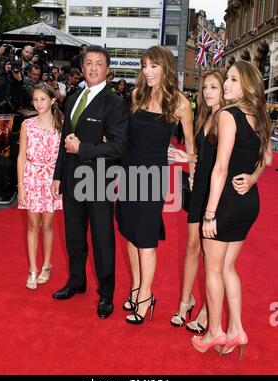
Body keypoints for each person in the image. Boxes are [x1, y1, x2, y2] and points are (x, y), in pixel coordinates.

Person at [191, 60, 272, 358]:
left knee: (213, 268)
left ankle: (215, 331)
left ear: (248, 85)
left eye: (234, 80)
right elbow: (266, 161)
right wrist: (252, 179)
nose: (226, 85)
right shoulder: (260, 116)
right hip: (249, 201)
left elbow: (221, 168)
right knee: (228, 267)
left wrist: (209, 214)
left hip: (225, 201)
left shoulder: (228, 114)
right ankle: (236, 328)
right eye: (228, 79)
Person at [116, 45, 195, 324]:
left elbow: (193, 150)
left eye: (153, 66)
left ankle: (147, 296)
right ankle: (136, 288)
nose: (147, 72)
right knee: (129, 233)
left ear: (166, 68)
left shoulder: (180, 104)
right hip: (128, 173)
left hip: (153, 177)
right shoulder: (137, 95)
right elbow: (126, 138)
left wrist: (192, 171)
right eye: (144, 66)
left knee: (146, 239)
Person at [51, 45, 128, 319]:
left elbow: (118, 147)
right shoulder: (72, 98)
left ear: (107, 70)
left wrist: (84, 149)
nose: (93, 68)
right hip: (71, 180)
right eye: (89, 63)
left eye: (99, 63)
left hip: (98, 182)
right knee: (73, 236)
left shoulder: (116, 103)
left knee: (102, 239)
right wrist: (58, 175)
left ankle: (106, 294)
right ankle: (76, 281)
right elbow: (64, 142)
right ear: (81, 68)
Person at [169, 69, 226, 332]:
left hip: (218, 193)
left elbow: (239, 160)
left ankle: (206, 309)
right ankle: (185, 300)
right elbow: (202, 156)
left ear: (225, 88)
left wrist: (250, 177)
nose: (207, 92)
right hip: (199, 189)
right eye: (205, 87)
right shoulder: (205, 115)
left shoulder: (228, 118)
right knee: (192, 246)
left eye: (214, 87)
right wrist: (185, 159)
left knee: (212, 256)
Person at [17, 83, 63, 290]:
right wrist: (21, 186)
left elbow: (64, 155)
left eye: (42, 99)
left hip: (52, 178)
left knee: (48, 225)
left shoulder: (61, 122)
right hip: (32, 177)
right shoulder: (27, 124)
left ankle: (47, 265)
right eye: (35, 99)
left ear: (53, 100)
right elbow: (21, 157)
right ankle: (33, 269)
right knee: (33, 224)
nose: (38, 103)